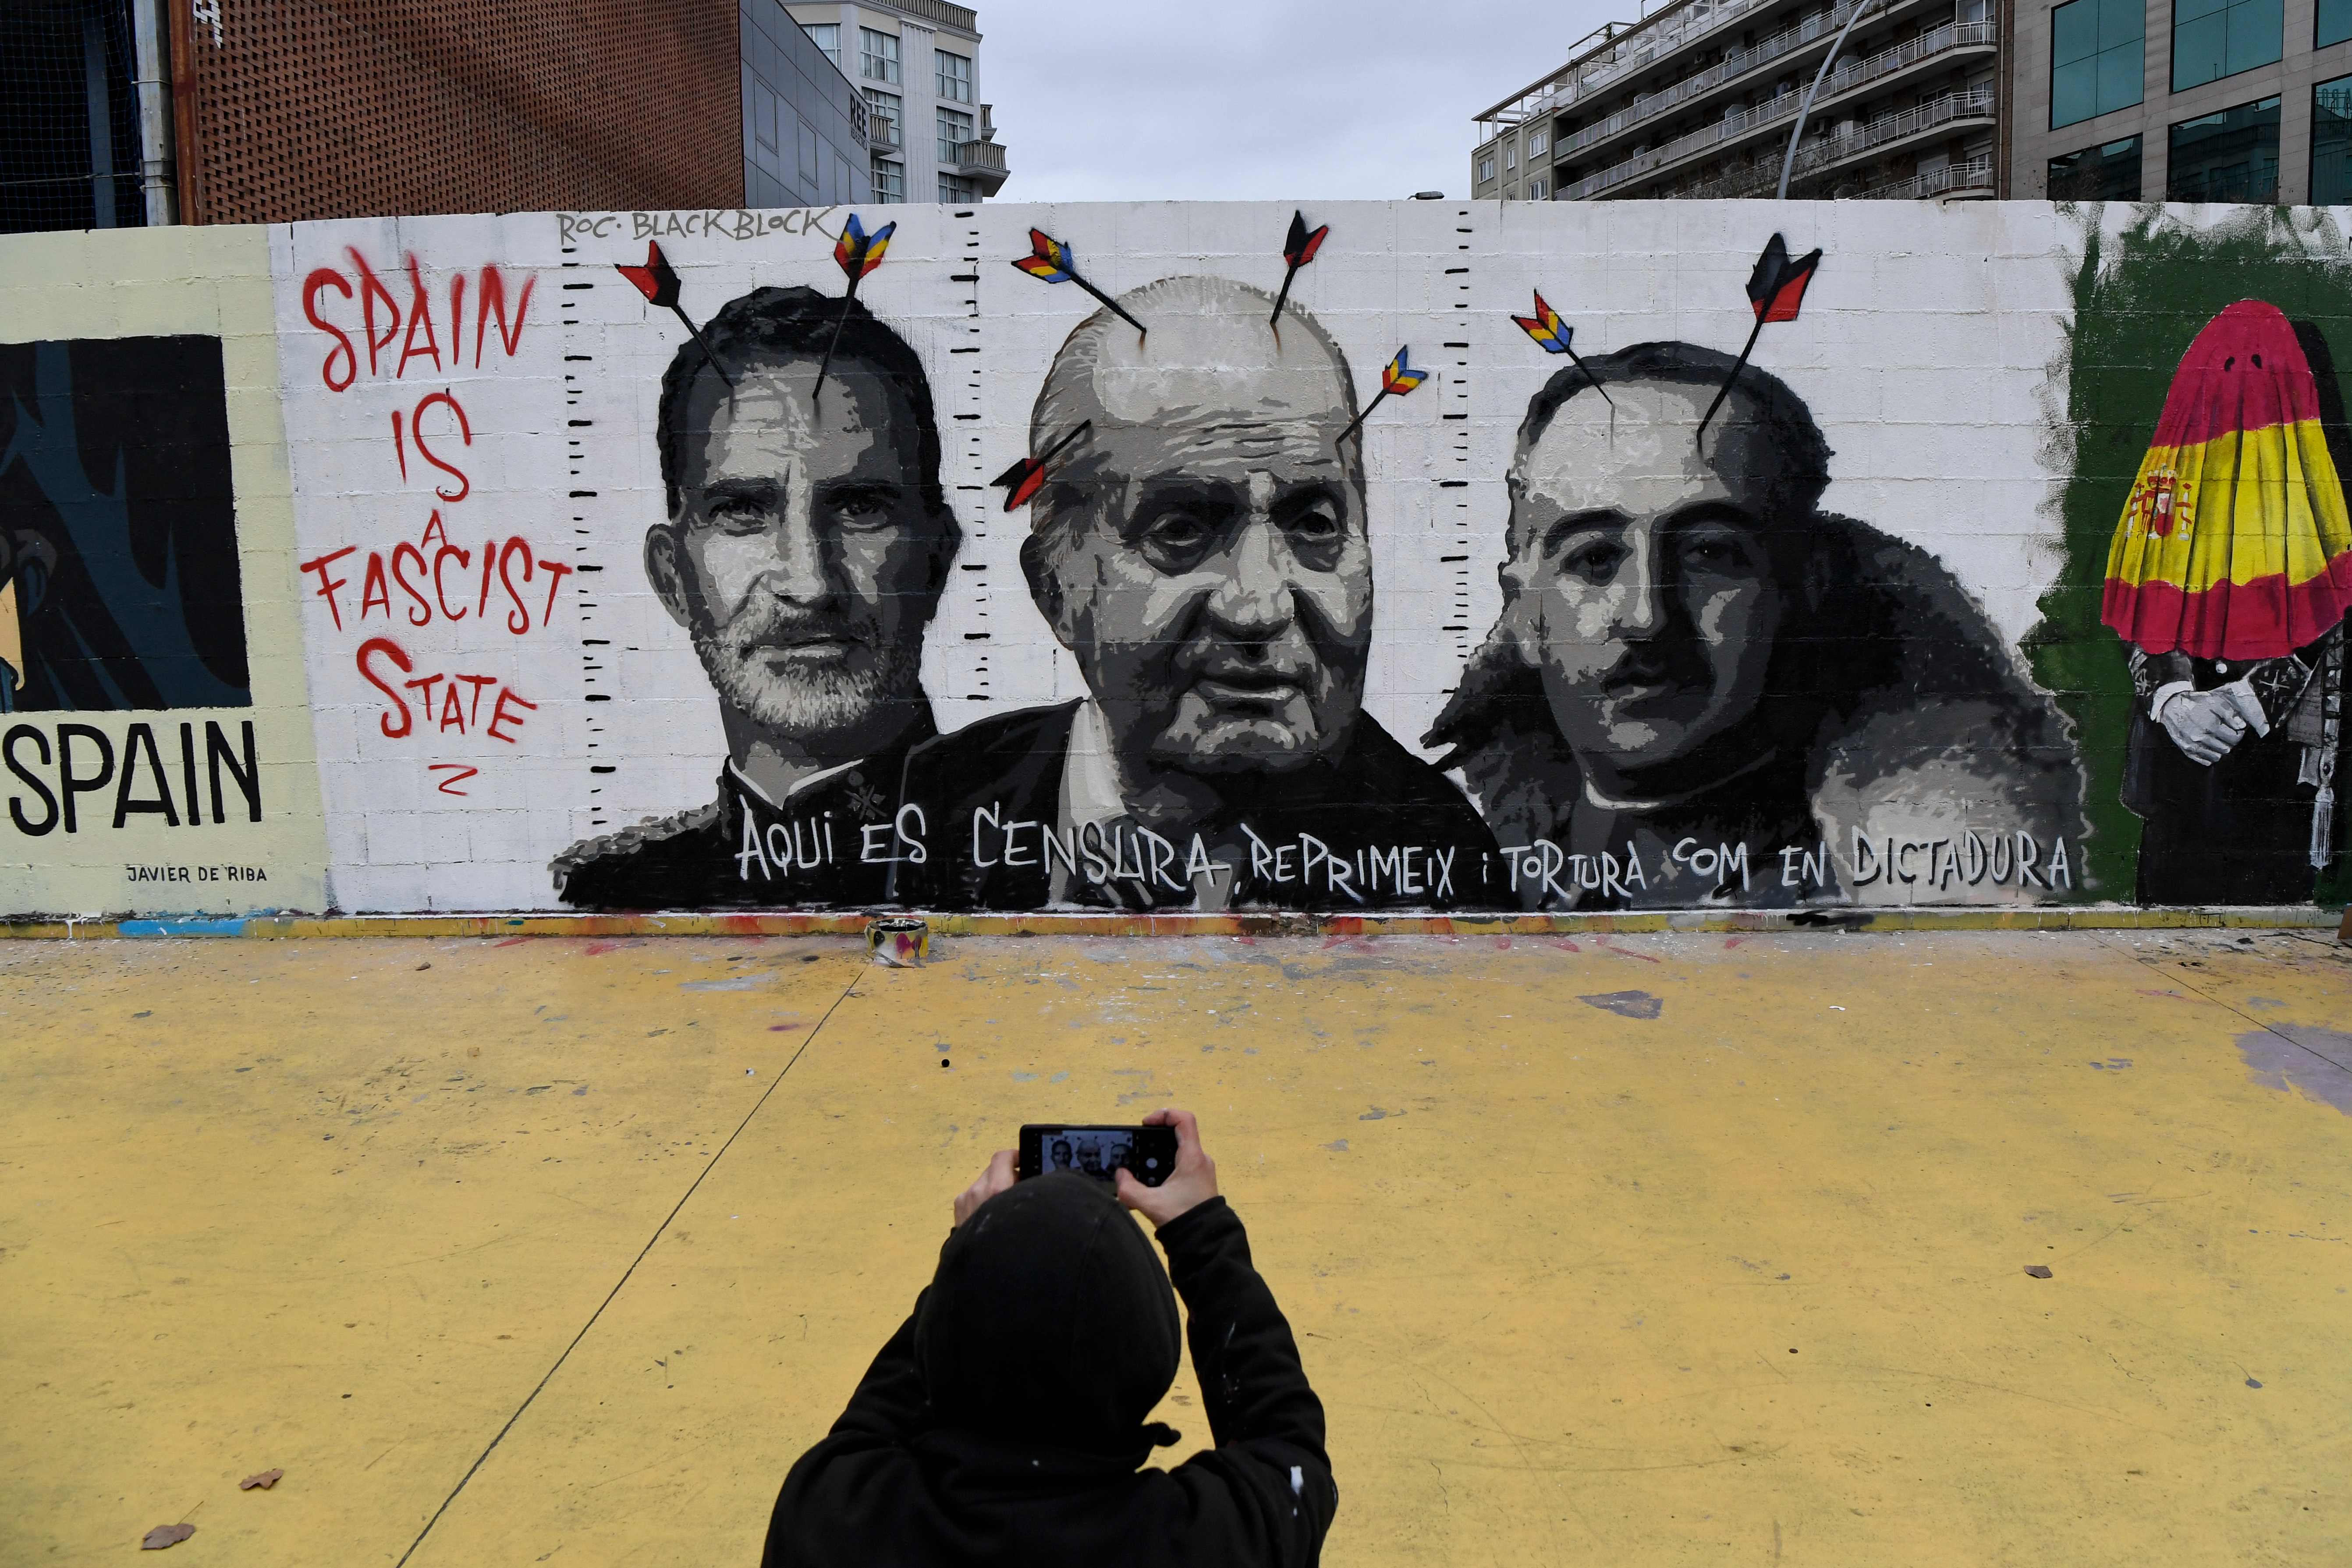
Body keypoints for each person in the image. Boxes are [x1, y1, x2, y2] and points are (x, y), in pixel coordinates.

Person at [894, 275, 1496, 912]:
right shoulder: (938, 799)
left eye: (1314, 525)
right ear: (1057, 589)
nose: (1259, 607)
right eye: (1180, 530)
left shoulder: (1445, 857)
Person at [1426, 341, 2085, 908]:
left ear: (1801, 587)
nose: (1648, 617)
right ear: (1527, 614)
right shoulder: (1454, 841)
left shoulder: (1874, 885)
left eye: (1710, 553)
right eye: (1594, 558)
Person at [761, 1108, 1336, 1568]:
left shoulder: (832, 1515)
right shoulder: (1217, 1541)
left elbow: (876, 1417)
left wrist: (972, 1251)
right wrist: (1203, 1231)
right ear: (1152, 1357)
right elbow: (1287, 1442)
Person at [551, 287, 960, 909]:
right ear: (674, 577)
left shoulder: (1037, 863)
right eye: (743, 511)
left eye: (860, 508)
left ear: (937, 558)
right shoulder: (611, 894)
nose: (809, 583)